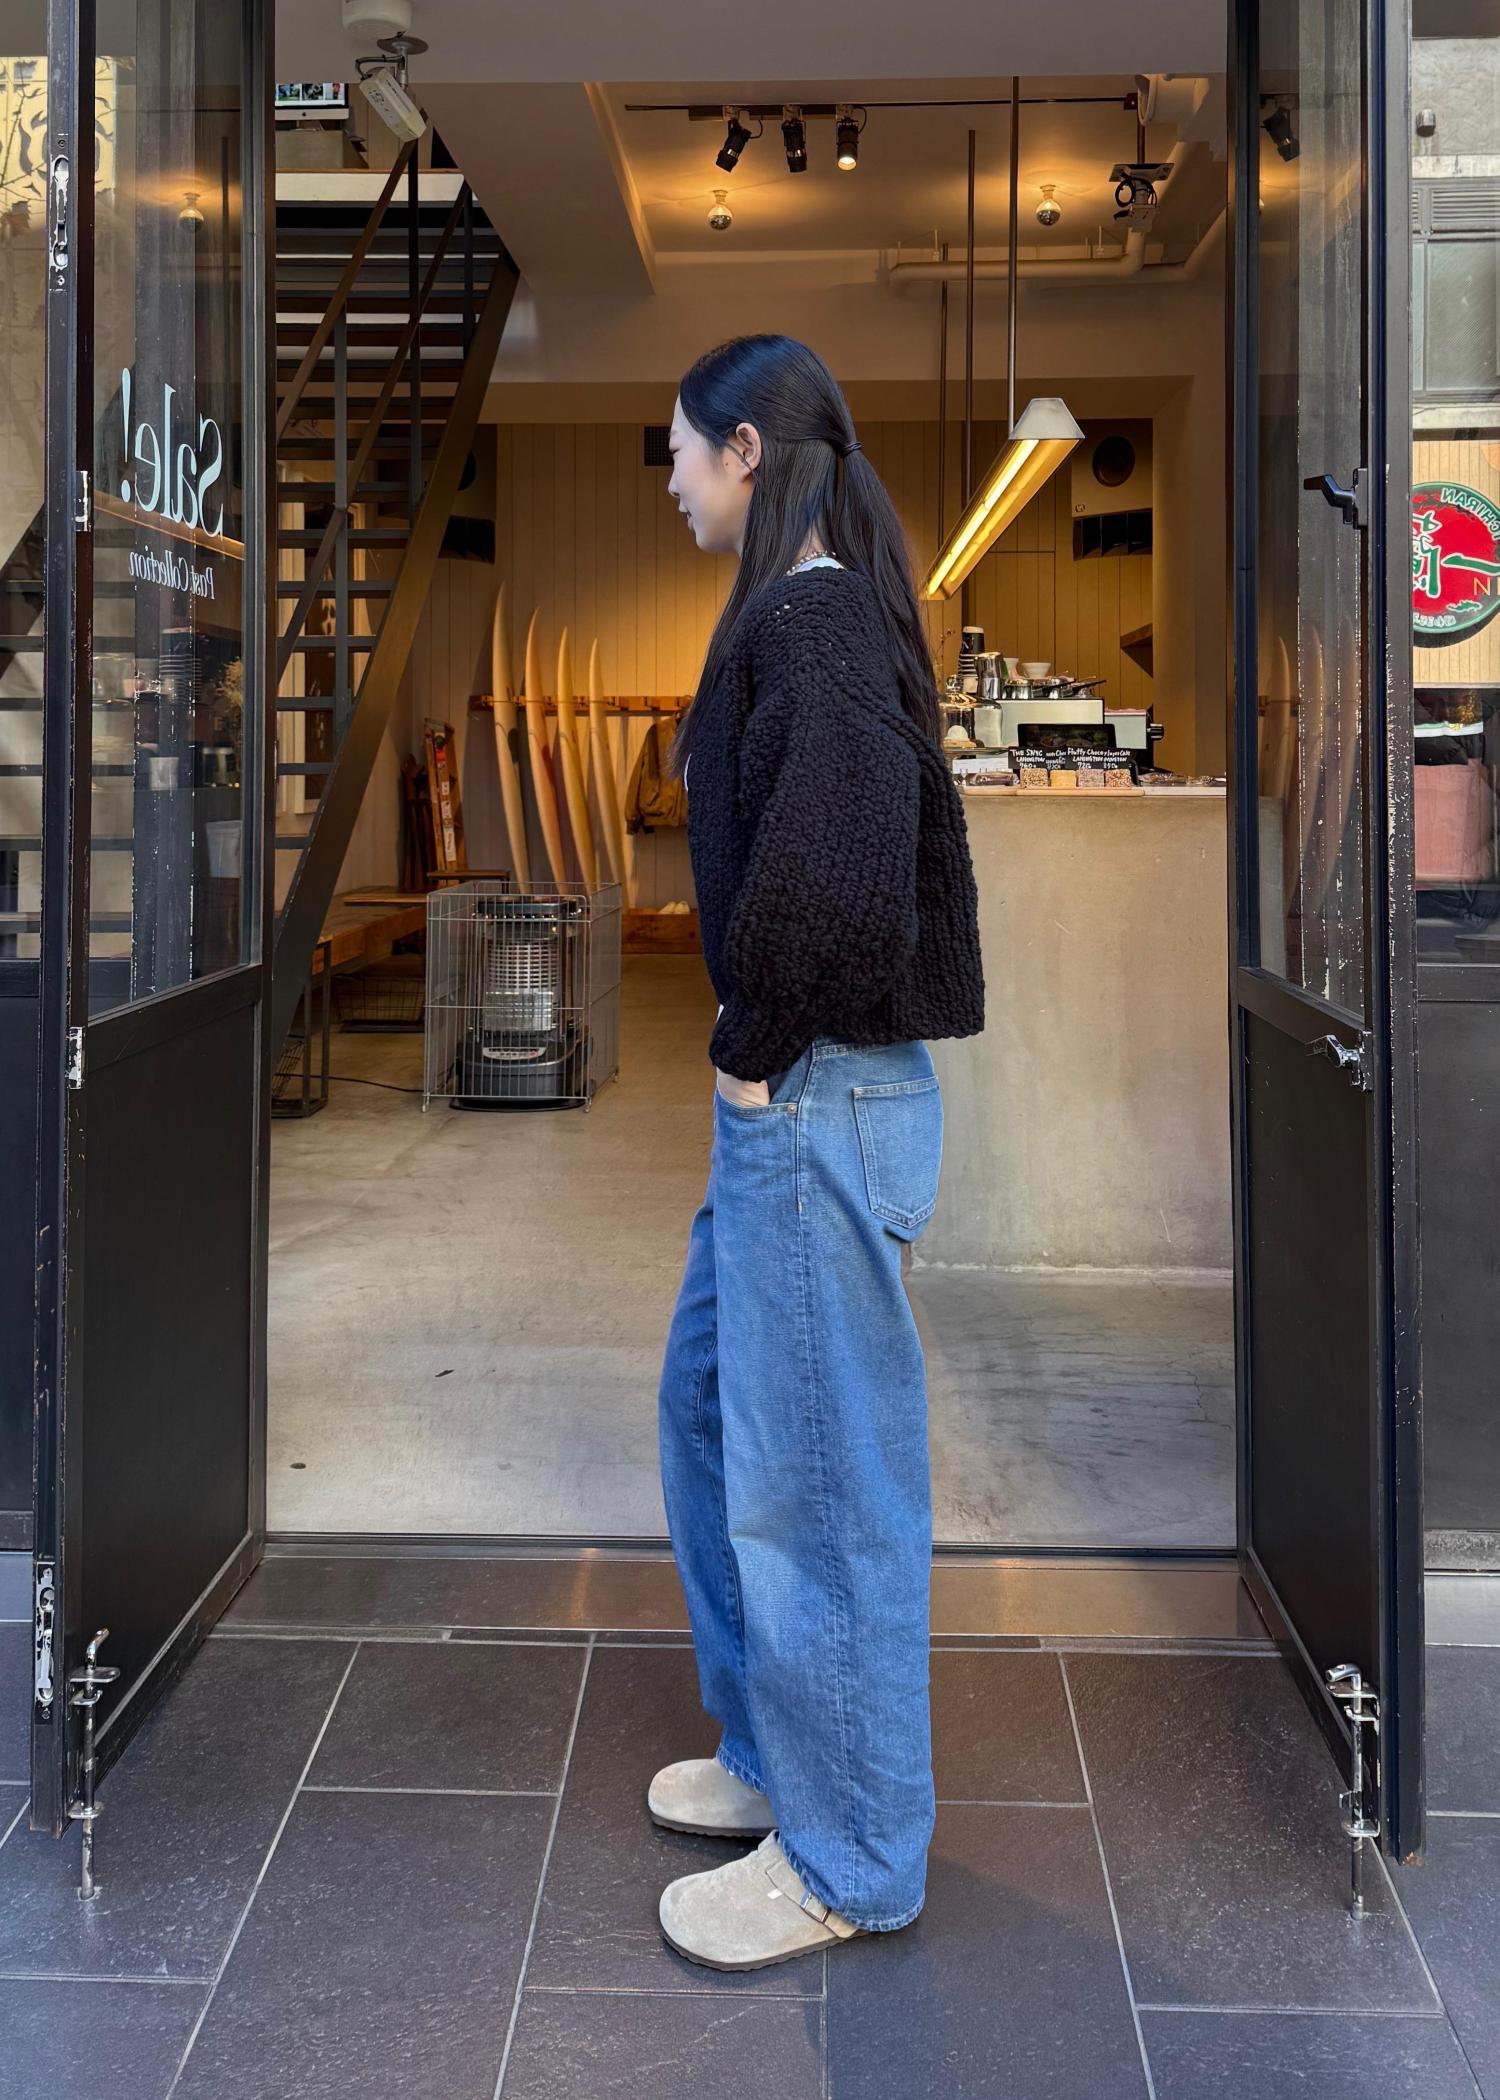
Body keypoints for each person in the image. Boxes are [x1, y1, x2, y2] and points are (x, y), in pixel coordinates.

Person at [651, 333, 986, 1971]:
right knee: (712, 1412)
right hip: (809, 1097)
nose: (669, 478)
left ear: (745, 450)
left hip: (815, 1099)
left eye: (680, 448)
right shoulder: (801, 612)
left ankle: (849, 1859)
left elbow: (842, 881)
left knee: (824, 1489)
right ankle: (781, 1754)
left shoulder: (816, 615)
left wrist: (745, 1055)